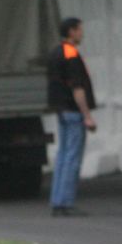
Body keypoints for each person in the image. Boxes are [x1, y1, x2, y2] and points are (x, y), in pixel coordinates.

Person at [47, 16, 97, 216]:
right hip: (74, 112)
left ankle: (57, 200)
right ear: (72, 31)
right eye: (79, 29)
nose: (82, 33)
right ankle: (65, 202)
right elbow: (77, 88)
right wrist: (87, 115)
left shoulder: (56, 52)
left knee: (62, 156)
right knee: (72, 157)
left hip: (61, 110)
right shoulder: (71, 54)